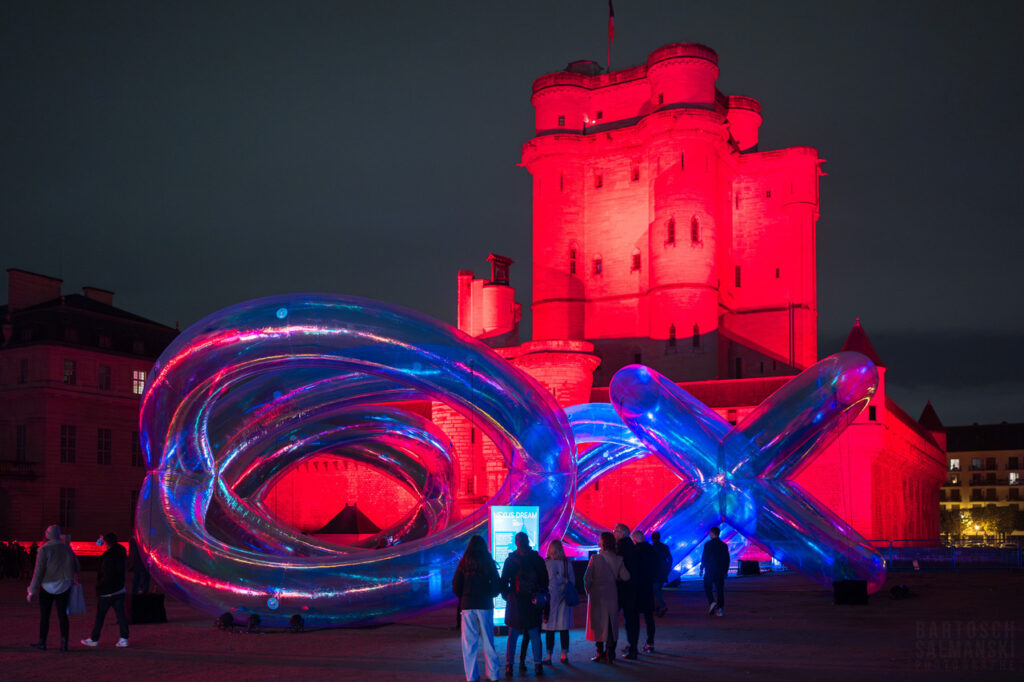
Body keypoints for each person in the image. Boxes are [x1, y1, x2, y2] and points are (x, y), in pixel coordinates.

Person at [452, 534, 501, 682]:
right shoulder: (488, 561)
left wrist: (464, 596)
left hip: (468, 604)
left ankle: (471, 676)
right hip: (484, 604)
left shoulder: (464, 563)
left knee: (469, 643)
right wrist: (490, 594)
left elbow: (456, 586)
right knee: (488, 640)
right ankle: (493, 674)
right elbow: (497, 584)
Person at [501, 532, 548, 677]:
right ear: (528, 542)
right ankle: (538, 666)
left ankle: (509, 666)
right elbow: (545, 581)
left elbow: (503, 581)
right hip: (532, 601)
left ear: (516, 543)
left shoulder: (511, 560)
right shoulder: (537, 559)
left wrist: (507, 595)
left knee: (513, 635)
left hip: (515, 601)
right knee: (534, 634)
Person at [27, 524, 80, 651]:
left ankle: (42, 641)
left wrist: (32, 590)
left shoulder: (44, 549)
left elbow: (38, 571)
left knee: (45, 615)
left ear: (48, 535)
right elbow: (77, 566)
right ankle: (64, 642)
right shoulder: (67, 548)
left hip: (47, 585)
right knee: (62, 615)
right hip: (64, 584)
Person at [584, 531, 629, 664]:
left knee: (598, 623)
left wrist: (588, 590)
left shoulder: (595, 558)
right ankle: (611, 653)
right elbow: (626, 576)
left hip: (597, 594)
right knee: (611, 623)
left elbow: (587, 578)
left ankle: (600, 653)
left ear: (603, 543)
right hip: (612, 593)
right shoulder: (618, 559)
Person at [81, 533, 130, 647]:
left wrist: (100, 587)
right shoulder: (121, 551)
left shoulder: (108, 556)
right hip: (120, 589)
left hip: (107, 592)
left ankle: (94, 639)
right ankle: (124, 638)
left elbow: (106, 574)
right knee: (121, 616)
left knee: (100, 617)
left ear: (107, 543)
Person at [541, 539, 574, 664]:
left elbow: (542, 581)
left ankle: (548, 656)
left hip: (550, 598)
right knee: (563, 627)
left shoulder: (546, 563)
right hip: (564, 596)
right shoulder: (567, 563)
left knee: (549, 628)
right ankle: (564, 654)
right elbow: (573, 581)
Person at [613, 523, 639, 659]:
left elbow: (622, 570)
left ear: (622, 533)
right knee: (632, 619)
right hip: (632, 588)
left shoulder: (622, 548)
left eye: (615, 531)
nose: (614, 534)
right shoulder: (631, 546)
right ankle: (633, 645)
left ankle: (633, 648)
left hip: (625, 589)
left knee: (629, 619)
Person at [630, 530, 657, 653]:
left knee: (634, 618)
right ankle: (650, 642)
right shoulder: (651, 550)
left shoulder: (634, 552)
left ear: (634, 539)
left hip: (637, 588)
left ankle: (633, 645)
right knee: (649, 617)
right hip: (648, 587)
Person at [701, 526, 730, 617]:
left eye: (710, 532)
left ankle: (712, 602)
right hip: (720, 571)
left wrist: (702, 568)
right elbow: (727, 559)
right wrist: (725, 571)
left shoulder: (708, 544)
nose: (709, 534)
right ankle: (720, 609)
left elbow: (704, 557)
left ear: (713, 533)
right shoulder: (723, 545)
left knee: (707, 587)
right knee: (719, 590)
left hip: (710, 570)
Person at [651, 531, 672, 617]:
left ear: (653, 539)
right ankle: (657, 608)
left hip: (654, 572)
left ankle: (662, 606)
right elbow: (670, 559)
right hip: (663, 572)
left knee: (655, 590)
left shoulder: (651, 548)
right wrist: (668, 569)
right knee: (657, 590)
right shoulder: (665, 547)